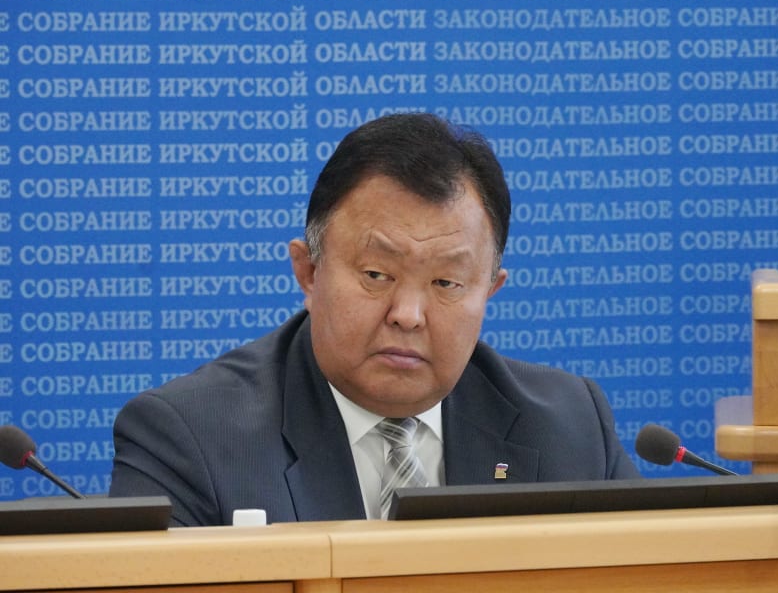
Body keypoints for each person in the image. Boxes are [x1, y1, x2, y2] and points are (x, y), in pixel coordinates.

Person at [109, 113, 639, 525]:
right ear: (309, 272)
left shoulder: (570, 427)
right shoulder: (190, 438)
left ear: (489, 291)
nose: (407, 315)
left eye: (446, 283)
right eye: (376, 274)